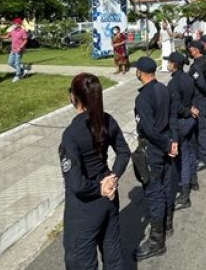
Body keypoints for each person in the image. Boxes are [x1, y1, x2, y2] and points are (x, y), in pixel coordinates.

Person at [59, 73, 131, 270]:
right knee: (113, 255)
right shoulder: (108, 121)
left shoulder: (71, 135)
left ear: (74, 97)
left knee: (81, 261)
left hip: (85, 207)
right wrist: (113, 177)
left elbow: (76, 184)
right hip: (109, 198)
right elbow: (124, 152)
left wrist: (101, 187)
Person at [132, 57, 178, 261]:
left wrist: (168, 144)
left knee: (154, 194)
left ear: (140, 72)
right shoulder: (163, 89)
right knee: (167, 188)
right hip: (166, 144)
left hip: (154, 149)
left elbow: (148, 129)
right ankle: (167, 225)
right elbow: (172, 117)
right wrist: (173, 141)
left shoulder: (143, 98)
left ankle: (156, 242)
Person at [164, 52, 198, 210]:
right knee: (190, 152)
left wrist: (186, 112)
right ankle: (193, 180)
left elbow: (176, 107)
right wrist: (191, 110)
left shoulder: (173, 83)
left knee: (182, 157)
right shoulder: (189, 78)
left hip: (181, 122)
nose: (167, 64)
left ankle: (185, 195)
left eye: (169, 62)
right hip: (190, 120)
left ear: (174, 64)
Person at [188, 40, 206, 170]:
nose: (189, 51)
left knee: (202, 129)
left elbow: (200, 82)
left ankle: (204, 158)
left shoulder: (196, 66)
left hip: (201, 99)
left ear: (196, 50)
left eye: (191, 49)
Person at [4, 17, 28, 82]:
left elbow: (25, 40)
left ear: (19, 24)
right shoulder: (13, 30)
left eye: (15, 23)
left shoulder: (22, 31)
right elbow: (7, 36)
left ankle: (18, 76)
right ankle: (22, 70)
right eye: (13, 23)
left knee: (17, 63)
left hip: (19, 49)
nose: (13, 24)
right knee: (10, 62)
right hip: (13, 49)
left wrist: (20, 47)